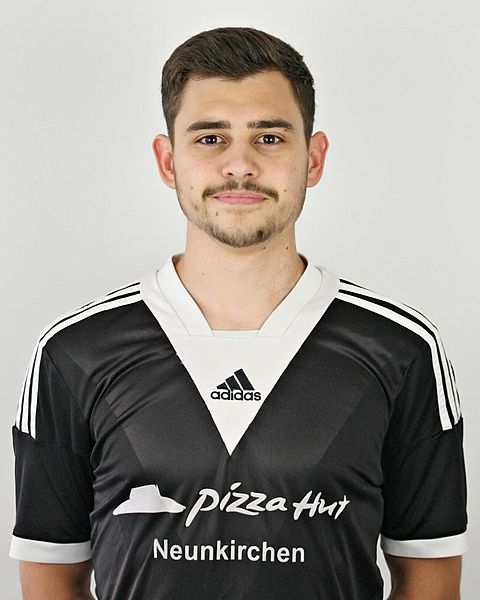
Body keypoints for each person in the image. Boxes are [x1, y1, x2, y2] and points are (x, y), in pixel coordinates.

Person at [10, 26, 467, 600]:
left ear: (314, 158)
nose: (240, 165)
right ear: (168, 161)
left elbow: (428, 578)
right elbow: (51, 576)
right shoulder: (74, 352)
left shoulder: (401, 349)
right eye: (210, 138)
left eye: (269, 137)